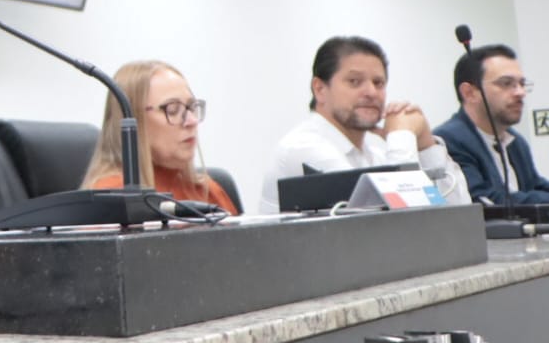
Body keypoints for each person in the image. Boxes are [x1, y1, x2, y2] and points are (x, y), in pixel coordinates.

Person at [264, 35, 467, 212]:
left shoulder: (375, 155)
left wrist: (425, 144)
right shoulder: (304, 148)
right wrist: (401, 135)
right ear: (320, 89)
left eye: (378, 83)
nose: (371, 92)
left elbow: (459, 214)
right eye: (354, 81)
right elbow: (391, 223)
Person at [80, 60, 238, 213]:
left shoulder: (207, 191)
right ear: (133, 120)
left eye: (191, 107)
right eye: (172, 109)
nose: (192, 121)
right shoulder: (111, 198)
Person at [433, 44, 549, 204]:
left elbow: (535, 186)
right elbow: (484, 201)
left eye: (522, 84)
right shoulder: (447, 141)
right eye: (506, 83)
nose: (520, 92)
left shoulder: (515, 140)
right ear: (469, 93)